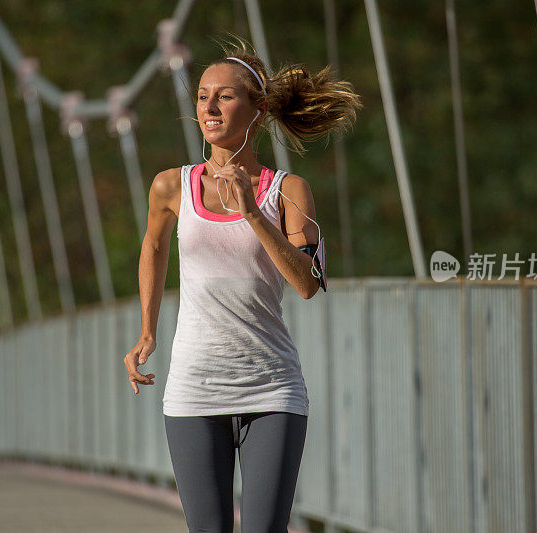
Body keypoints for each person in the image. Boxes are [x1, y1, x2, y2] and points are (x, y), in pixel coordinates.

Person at [124, 36, 362, 533]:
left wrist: (253, 213)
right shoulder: (171, 184)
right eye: (202, 94)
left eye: (225, 96)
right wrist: (147, 330)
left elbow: (307, 283)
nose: (208, 106)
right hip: (195, 389)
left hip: (271, 387)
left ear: (257, 110)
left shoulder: (288, 191)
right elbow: (152, 248)